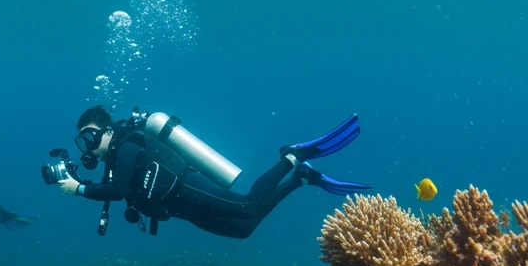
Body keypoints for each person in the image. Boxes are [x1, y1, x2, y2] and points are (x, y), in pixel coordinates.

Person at [57, 107, 369, 239]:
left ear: (108, 131)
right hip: (182, 208)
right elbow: (115, 189)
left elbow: (118, 191)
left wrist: (78, 188)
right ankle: (302, 177)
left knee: (248, 206)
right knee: (242, 231)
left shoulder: (128, 144)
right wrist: (83, 184)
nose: (87, 145)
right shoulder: (113, 161)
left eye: (90, 136)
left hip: (187, 187)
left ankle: (292, 157)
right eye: (82, 140)